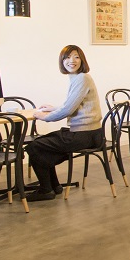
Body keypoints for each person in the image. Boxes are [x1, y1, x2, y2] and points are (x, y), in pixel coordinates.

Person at [25, 44, 104, 201]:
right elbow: (74, 104)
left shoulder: (82, 78)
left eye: (76, 57)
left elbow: (68, 109)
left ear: (82, 60)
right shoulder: (77, 78)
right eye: (67, 57)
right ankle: (54, 186)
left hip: (84, 135)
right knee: (40, 144)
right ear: (62, 61)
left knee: (34, 147)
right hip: (87, 133)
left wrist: (45, 117)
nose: (71, 61)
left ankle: (46, 189)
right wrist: (53, 108)